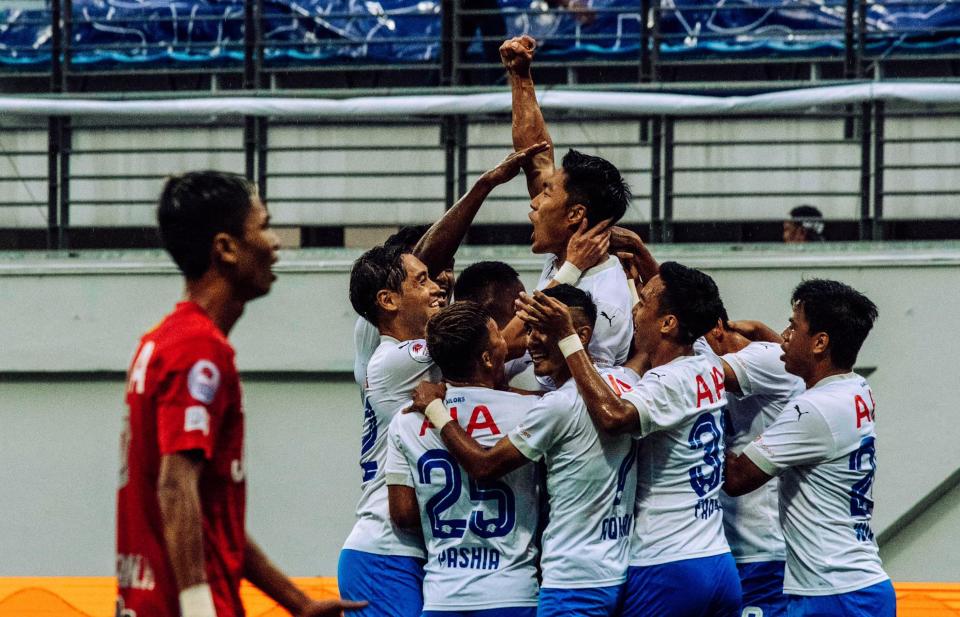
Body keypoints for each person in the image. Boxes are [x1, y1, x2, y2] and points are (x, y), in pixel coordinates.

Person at [116, 171, 365, 617]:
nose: (275, 243)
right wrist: (198, 609)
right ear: (226, 248)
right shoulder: (200, 350)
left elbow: (211, 519)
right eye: (265, 226)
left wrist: (298, 603)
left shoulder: (161, 341)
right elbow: (175, 486)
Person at [341, 146, 547, 617]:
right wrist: (568, 267)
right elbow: (494, 341)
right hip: (384, 546)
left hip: (423, 547)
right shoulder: (389, 357)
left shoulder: (428, 361)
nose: (438, 288)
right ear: (389, 299)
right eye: (425, 281)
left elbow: (488, 367)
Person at [515, 262, 742, 616]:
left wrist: (568, 338)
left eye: (644, 302)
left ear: (668, 323)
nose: (635, 310)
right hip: (718, 560)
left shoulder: (666, 381)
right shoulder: (708, 365)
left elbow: (613, 417)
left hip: (668, 564)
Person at [410, 285, 638, 617]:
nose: (528, 341)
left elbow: (485, 466)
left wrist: (436, 408)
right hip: (621, 568)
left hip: (569, 581)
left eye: (543, 329)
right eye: (528, 329)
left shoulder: (552, 406)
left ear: (579, 334)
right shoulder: (627, 383)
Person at [724, 280, 894, 617]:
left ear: (820, 342)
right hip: (853, 584)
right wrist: (763, 332)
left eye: (792, 325)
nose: (784, 336)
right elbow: (808, 368)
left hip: (834, 593)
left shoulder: (812, 412)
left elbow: (736, 478)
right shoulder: (855, 388)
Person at [385, 302, 541, 616]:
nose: (506, 345)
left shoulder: (405, 420)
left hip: (443, 596)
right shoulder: (530, 413)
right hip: (511, 591)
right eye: (499, 338)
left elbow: (402, 514)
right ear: (486, 357)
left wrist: (457, 511)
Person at [498, 34, 635, 369]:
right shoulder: (565, 247)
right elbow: (537, 159)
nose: (533, 206)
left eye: (546, 195)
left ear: (575, 214)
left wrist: (569, 272)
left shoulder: (605, 303)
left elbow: (505, 346)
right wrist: (520, 76)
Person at [703, 311, 806, 616]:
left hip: (761, 549)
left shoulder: (765, 358)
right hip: (724, 547)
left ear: (716, 328)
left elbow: (734, 480)